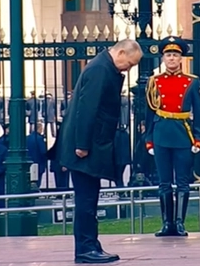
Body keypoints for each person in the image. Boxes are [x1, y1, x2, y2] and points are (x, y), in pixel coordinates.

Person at [60, 39, 142, 264]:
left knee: (90, 197)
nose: (129, 68)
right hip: (86, 147)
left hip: (91, 144)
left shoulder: (103, 67)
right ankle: (85, 248)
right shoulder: (100, 69)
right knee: (86, 200)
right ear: (122, 52)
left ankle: (90, 244)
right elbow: (87, 110)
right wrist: (82, 145)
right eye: (130, 63)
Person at [145, 36, 200, 237]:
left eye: (175, 55)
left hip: (182, 135)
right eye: (168, 55)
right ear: (163, 58)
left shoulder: (192, 81)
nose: (171, 58)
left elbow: (199, 112)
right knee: (163, 183)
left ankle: (179, 223)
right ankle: (166, 224)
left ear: (181, 59)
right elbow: (149, 114)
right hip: (161, 134)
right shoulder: (154, 81)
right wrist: (148, 140)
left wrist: (199, 138)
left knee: (182, 182)